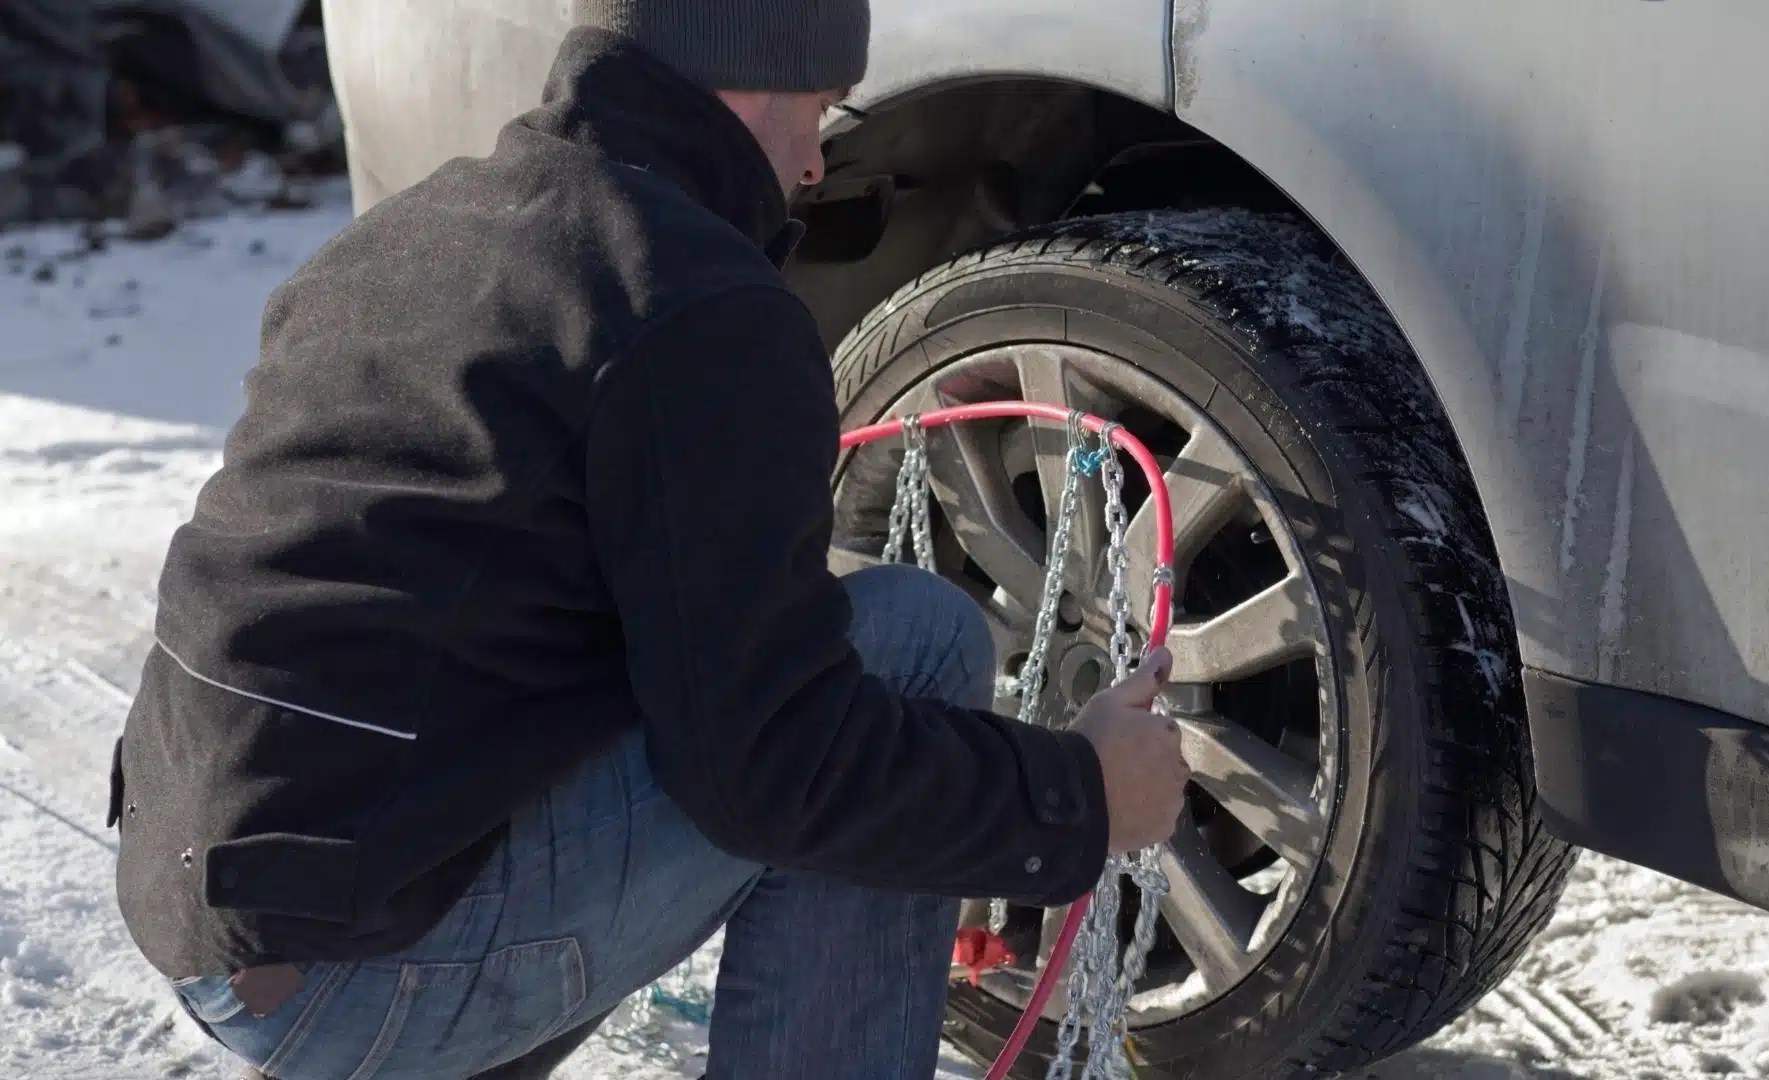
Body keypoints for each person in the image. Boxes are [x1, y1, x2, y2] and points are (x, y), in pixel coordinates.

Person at [107, 3, 1190, 1077]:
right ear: (753, 74)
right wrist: (1077, 795)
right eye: (821, 109)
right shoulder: (695, 299)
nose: (816, 164)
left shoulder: (418, 230)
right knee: (912, 642)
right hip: (356, 972)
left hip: (208, 899)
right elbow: (770, 771)